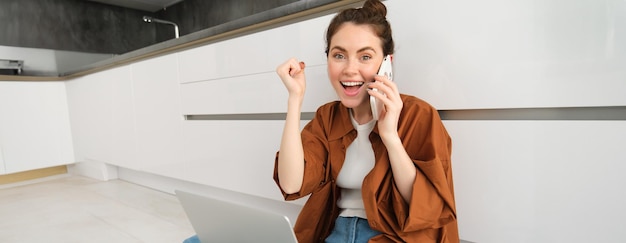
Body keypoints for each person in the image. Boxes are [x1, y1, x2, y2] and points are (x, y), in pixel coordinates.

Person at [273, 0, 459, 242]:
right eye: (339, 55)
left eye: (365, 57)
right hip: (337, 232)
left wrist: (390, 136)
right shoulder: (327, 118)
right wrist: (294, 100)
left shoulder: (418, 115)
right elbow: (290, 184)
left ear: (386, 64)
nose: (350, 69)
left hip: (393, 237)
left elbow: (426, 207)